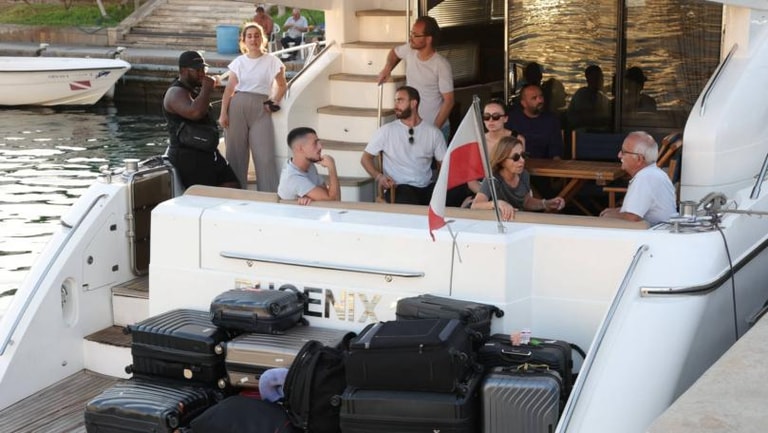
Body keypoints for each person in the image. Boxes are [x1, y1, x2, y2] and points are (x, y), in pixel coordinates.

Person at [219, 23, 287, 192]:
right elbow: (229, 89)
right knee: (236, 154)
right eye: (249, 36)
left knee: (265, 156)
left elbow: (282, 86)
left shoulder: (272, 61)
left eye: (257, 35)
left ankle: (268, 195)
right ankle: (235, 193)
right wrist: (223, 114)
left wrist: (275, 101)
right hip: (237, 107)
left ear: (262, 39)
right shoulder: (238, 62)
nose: (253, 39)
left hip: (261, 109)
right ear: (244, 40)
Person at [162, 51, 240, 190]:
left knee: (232, 184)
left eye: (204, 69)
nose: (202, 74)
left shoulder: (192, 89)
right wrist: (207, 88)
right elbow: (195, 113)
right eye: (197, 70)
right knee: (205, 193)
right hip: (188, 155)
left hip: (206, 152)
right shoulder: (175, 92)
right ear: (183, 71)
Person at [360, 86, 447, 205]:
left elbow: (444, 165)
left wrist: (441, 186)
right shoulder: (386, 131)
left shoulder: (433, 133)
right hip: (399, 188)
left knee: (457, 191)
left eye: (400, 100)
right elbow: (365, 158)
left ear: (413, 103)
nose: (396, 105)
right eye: (395, 101)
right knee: (408, 198)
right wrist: (379, 177)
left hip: (426, 187)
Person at [377, 16, 454, 138]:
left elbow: (449, 101)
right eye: (411, 33)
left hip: (434, 128)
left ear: (428, 39)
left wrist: (434, 130)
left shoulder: (441, 65)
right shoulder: (409, 49)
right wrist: (387, 68)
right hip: (411, 127)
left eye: (416, 35)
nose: (411, 38)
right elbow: (394, 53)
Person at [471, 136, 565, 220]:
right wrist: (497, 203)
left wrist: (546, 203)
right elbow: (475, 205)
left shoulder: (524, 174)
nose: (522, 160)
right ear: (502, 160)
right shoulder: (493, 178)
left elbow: (526, 202)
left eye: (523, 155)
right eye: (515, 157)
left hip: (515, 221)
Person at [600, 131, 677, 225]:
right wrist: (617, 211)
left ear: (639, 159)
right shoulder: (652, 173)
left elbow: (632, 218)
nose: (619, 155)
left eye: (624, 152)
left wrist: (609, 215)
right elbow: (637, 211)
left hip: (653, 233)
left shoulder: (645, 178)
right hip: (660, 230)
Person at [277, 127, 340, 205]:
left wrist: (313, 197)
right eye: (315, 143)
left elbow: (328, 194)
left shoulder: (309, 166)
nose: (320, 146)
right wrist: (331, 167)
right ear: (300, 148)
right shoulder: (293, 178)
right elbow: (334, 201)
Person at [505, 84, 563, 159]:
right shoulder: (512, 120)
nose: (540, 100)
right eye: (534, 98)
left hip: (545, 164)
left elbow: (556, 152)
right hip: (517, 162)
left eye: (541, 96)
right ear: (524, 103)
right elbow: (505, 148)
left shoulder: (551, 120)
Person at [567, 64, 612, 130]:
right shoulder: (581, 94)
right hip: (580, 130)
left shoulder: (601, 97)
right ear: (588, 79)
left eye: (601, 77)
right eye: (596, 77)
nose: (600, 80)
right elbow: (584, 116)